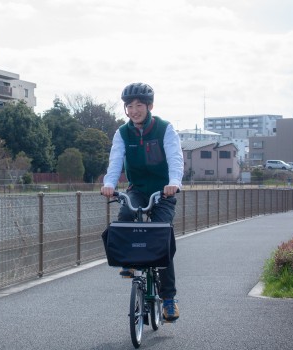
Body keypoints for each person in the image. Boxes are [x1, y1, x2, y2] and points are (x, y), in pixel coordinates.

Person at [101, 82, 183, 322]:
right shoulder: (122, 133)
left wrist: (174, 182)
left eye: (139, 105)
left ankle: (168, 299)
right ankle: (128, 262)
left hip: (163, 191)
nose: (134, 110)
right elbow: (115, 161)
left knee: (162, 239)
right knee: (125, 215)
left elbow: (176, 159)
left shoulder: (165, 129)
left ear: (149, 106)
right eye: (129, 106)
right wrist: (109, 184)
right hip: (137, 189)